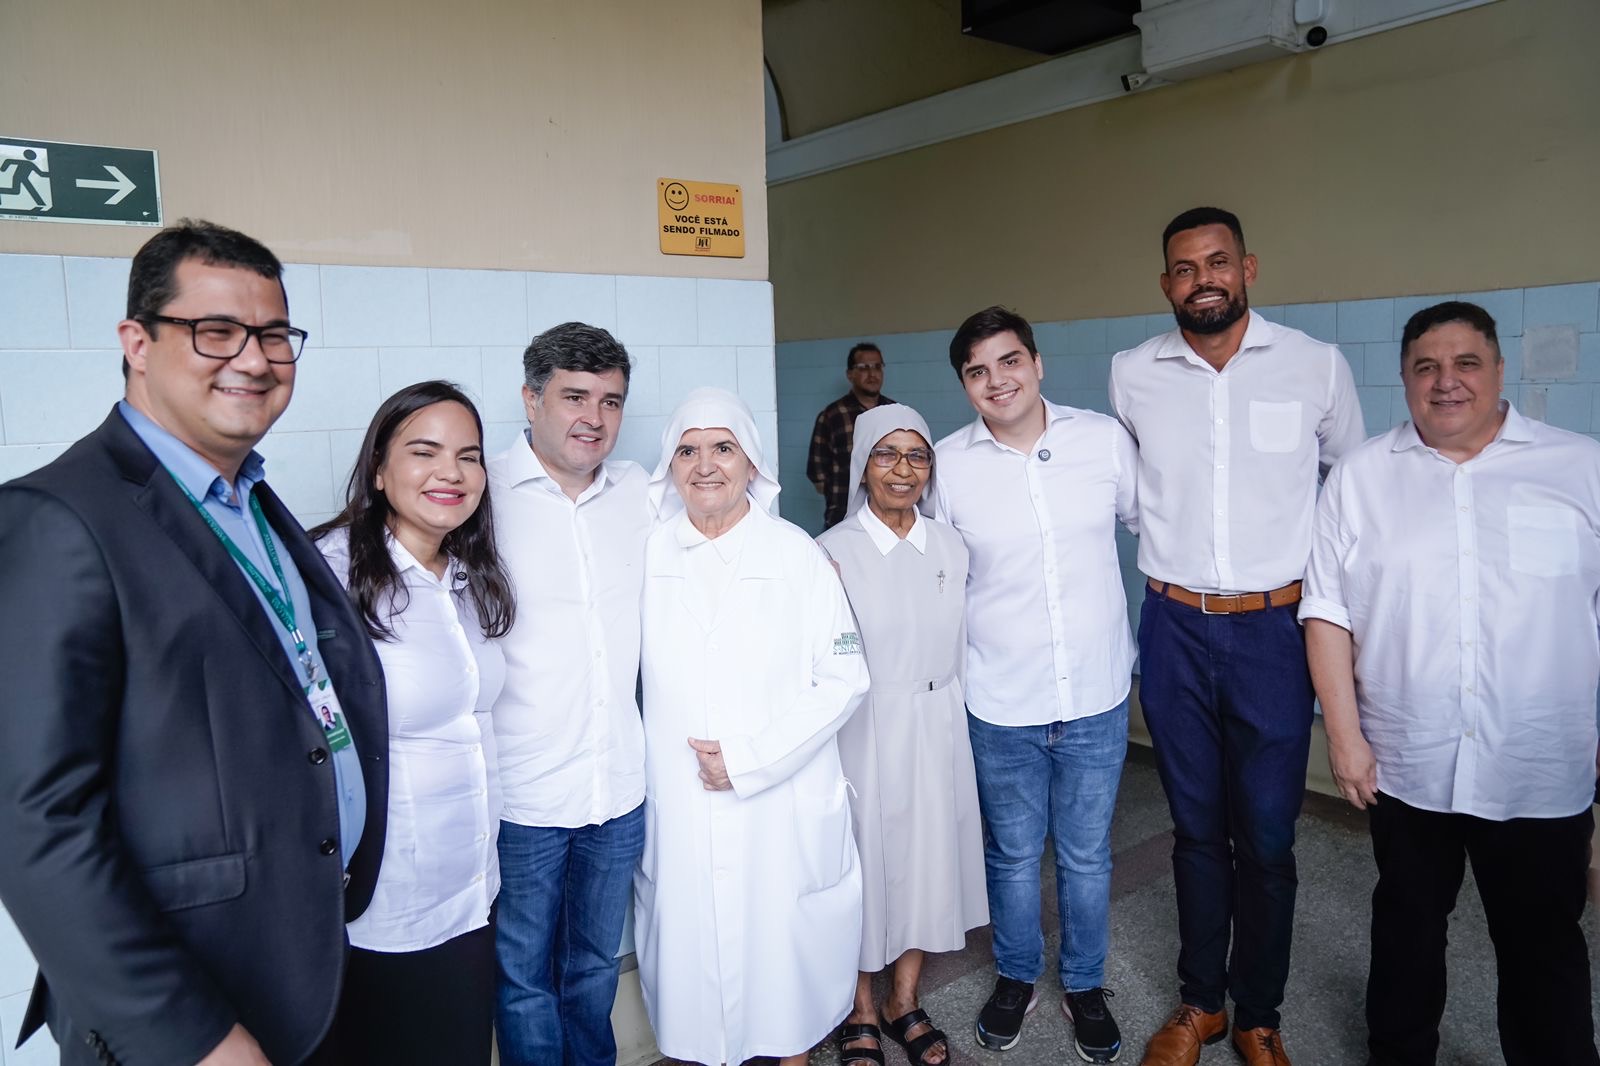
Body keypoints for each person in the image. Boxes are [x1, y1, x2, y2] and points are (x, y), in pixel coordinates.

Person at [0, 219, 387, 1066]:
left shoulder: (247, 494)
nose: (253, 358)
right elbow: (37, 823)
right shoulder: (60, 518)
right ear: (136, 342)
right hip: (193, 1016)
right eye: (215, 331)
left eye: (275, 334)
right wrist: (197, 1039)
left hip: (296, 962)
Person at [1302, 301, 1600, 1066]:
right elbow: (1326, 612)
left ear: (1499, 371)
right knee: (1405, 935)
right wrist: (1344, 739)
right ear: (1404, 381)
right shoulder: (1363, 477)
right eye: (1426, 367)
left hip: (1538, 763)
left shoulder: (1580, 467)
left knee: (1544, 949)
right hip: (1407, 763)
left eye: (1466, 363)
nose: (1446, 382)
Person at [1108, 207, 1364, 1066]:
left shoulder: (1314, 367)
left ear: (1247, 266)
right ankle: (1199, 1006)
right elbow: (1137, 488)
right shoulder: (1132, 374)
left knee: (1266, 835)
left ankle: (1258, 1012)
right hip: (1175, 622)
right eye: (1184, 268)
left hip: (1274, 632)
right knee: (1192, 829)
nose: (1202, 279)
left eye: (1217, 262)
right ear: (1165, 284)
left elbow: (1348, 493)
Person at [635, 387, 871, 1066]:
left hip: (780, 798)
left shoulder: (795, 553)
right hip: (678, 803)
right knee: (690, 979)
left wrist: (748, 759)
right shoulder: (647, 555)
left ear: (751, 464)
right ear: (670, 466)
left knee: (781, 980)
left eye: (722, 448)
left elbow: (846, 675)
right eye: (687, 450)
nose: (704, 465)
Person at [935, 306, 1138, 1063]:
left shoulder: (1101, 442)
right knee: (1013, 856)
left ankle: (1084, 983)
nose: (998, 381)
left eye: (1009, 361)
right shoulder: (949, 466)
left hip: (1094, 693)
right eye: (978, 371)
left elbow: (1153, 524)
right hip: (999, 697)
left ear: (1037, 363)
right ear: (965, 384)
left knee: (1087, 856)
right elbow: (931, 570)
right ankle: (1016, 975)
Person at [314, 381, 514, 1066]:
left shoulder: (468, 575)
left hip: (473, 891)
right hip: (385, 903)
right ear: (378, 467)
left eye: (469, 455)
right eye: (424, 451)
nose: (451, 473)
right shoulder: (330, 576)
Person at [488, 321, 650, 1066]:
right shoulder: (480, 498)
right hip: (522, 793)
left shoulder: (642, 495)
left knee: (591, 968)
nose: (594, 417)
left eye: (611, 401)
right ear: (531, 399)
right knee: (523, 977)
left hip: (616, 787)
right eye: (574, 397)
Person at [817, 403, 988, 1066]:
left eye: (917, 456)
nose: (902, 469)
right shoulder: (831, 551)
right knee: (864, 866)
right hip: (863, 729)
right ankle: (859, 1005)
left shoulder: (950, 545)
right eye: (886, 454)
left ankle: (903, 999)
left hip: (937, 724)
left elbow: (963, 644)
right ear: (862, 465)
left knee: (926, 861)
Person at [808, 341, 895, 529]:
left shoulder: (895, 413)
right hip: (842, 518)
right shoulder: (832, 416)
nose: (872, 374)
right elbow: (818, 476)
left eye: (877, 367)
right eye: (864, 368)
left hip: (890, 519)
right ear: (850, 374)